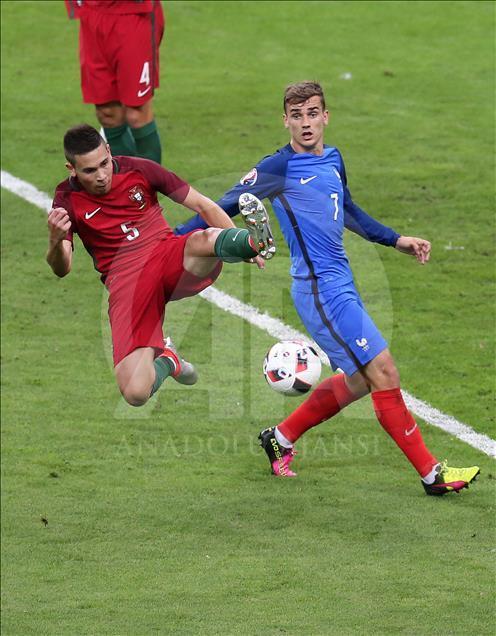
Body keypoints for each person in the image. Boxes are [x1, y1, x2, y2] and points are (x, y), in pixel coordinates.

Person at [174, 81, 480, 496]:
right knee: (384, 370)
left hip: (342, 283)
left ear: (325, 116)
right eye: (296, 116)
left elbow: (348, 209)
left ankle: (279, 438)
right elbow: (221, 205)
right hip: (320, 291)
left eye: (312, 113)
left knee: (357, 381)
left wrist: (395, 239)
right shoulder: (277, 168)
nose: (305, 123)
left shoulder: (333, 158)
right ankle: (432, 475)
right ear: (285, 120)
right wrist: (172, 240)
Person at [47, 124, 273, 406]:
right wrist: (56, 242)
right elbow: (62, 267)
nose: (102, 176)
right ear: (72, 169)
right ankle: (169, 361)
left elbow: (204, 206)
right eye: (90, 171)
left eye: (104, 164)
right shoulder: (65, 200)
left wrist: (246, 249)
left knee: (204, 239)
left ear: (109, 151)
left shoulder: (140, 169)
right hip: (127, 284)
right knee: (135, 392)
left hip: (165, 256)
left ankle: (251, 242)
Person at [65, 0, 165, 163]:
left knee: (137, 114)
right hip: (92, 13)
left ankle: (148, 186)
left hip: (133, 14)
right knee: (108, 114)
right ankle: (126, 185)